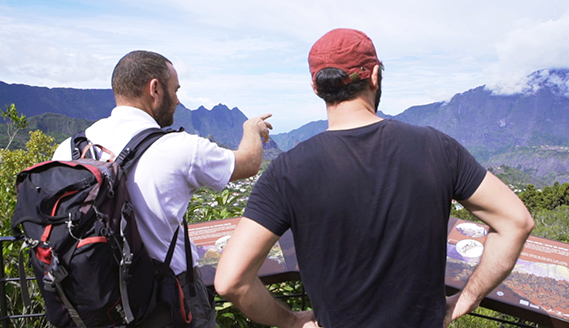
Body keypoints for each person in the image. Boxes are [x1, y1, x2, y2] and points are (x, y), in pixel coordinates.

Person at [214, 28, 535, 328]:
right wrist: (468, 297)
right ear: (376, 76)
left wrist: (293, 321)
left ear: (316, 87)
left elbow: (231, 280)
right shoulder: (438, 148)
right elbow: (516, 222)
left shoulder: (287, 170)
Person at [52, 50, 272, 328]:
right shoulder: (178, 147)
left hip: (94, 297)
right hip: (166, 299)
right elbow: (248, 163)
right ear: (155, 88)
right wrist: (251, 129)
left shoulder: (68, 148)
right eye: (175, 89)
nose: (178, 100)